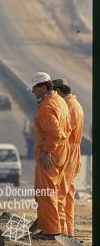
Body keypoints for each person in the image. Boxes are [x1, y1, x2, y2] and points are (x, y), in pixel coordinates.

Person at [29, 72, 72, 240]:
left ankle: (52, 230)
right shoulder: (60, 101)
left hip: (51, 153)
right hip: (61, 151)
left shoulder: (47, 106)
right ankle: (51, 227)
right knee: (52, 191)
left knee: (46, 192)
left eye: (35, 88)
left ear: (44, 87)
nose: (33, 92)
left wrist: (47, 151)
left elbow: (54, 132)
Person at [52, 78, 84, 237]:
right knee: (69, 193)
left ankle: (59, 229)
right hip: (75, 151)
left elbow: (62, 132)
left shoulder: (68, 106)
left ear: (58, 92)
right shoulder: (75, 104)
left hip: (68, 151)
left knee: (59, 193)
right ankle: (68, 230)